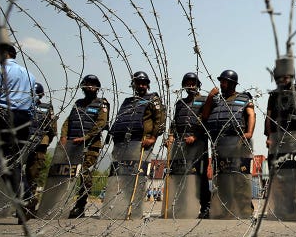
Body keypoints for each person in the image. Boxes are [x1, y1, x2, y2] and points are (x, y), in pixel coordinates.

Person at [107, 71, 165, 218]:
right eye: (138, 83)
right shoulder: (128, 101)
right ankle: (120, 208)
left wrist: (153, 138)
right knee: (122, 176)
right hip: (124, 144)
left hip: (142, 143)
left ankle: (134, 209)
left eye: (144, 83)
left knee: (137, 176)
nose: (141, 85)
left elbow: (160, 120)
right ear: (133, 84)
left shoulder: (153, 99)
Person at [201, 70, 255, 219]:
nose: (221, 84)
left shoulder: (243, 98)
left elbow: (251, 114)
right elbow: (205, 116)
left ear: (232, 83)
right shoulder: (217, 100)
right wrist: (210, 97)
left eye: (224, 81)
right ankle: (224, 209)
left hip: (238, 142)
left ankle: (244, 210)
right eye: (221, 81)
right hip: (220, 143)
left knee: (240, 177)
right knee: (222, 178)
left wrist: (249, 132)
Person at [264, 56, 296, 220]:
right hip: (278, 137)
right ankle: (282, 208)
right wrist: (269, 136)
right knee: (280, 174)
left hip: (295, 136)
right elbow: (269, 116)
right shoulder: (274, 95)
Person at [0, 27, 36, 223]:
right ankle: (26, 198)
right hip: (24, 119)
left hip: (6, 116)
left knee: (1, 161)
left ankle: (24, 197)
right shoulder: (29, 75)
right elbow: (33, 101)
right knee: (14, 161)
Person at [59, 75, 109, 218]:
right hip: (72, 144)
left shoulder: (102, 104)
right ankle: (60, 203)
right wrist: (63, 136)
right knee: (66, 173)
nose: (90, 87)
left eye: (93, 84)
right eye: (87, 84)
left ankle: (80, 205)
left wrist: (85, 138)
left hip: (91, 146)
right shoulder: (78, 103)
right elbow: (68, 121)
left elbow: (100, 124)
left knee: (85, 174)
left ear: (97, 87)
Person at [165, 72, 210, 218]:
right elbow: (174, 123)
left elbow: (207, 121)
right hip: (181, 144)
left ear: (198, 85)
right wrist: (171, 137)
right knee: (180, 175)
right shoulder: (180, 103)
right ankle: (182, 206)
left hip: (198, 144)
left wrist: (196, 136)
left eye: (193, 83)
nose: (190, 85)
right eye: (188, 83)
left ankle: (205, 207)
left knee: (199, 176)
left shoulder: (204, 100)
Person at [23, 82, 57, 217]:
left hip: (39, 146)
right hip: (22, 144)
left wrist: (45, 142)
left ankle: (29, 205)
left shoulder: (46, 108)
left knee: (33, 175)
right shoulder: (21, 107)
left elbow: (52, 129)